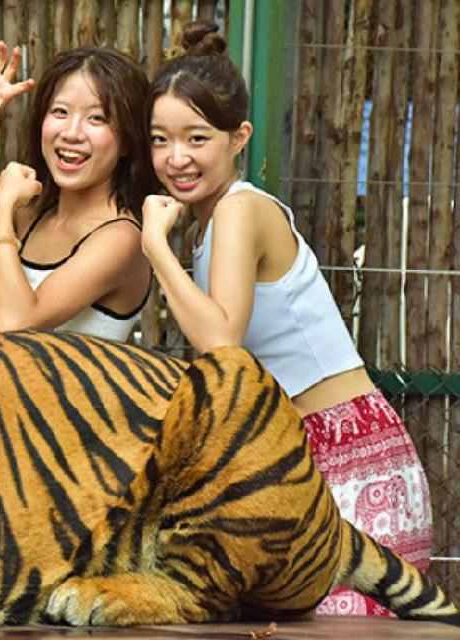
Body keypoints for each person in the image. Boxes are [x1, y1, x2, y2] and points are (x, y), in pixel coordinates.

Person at [140, 19, 433, 616]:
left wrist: (153, 247)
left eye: (197, 138)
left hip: (353, 464)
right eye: (160, 140)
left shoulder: (240, 211)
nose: (176, 158)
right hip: (294, 464)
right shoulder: (207, 226)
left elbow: (221, 340)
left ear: (239, 137)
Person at [0, 47, 159, 342]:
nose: (72, 133)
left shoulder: (121, 238)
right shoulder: (33, 211)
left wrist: (2, 211)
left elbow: (14, 325)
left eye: (97, 118)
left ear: (127, 140)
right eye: (60, 112)